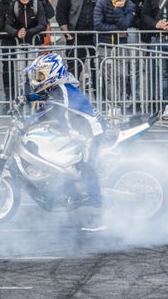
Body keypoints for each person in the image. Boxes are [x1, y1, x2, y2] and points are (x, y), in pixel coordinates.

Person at [19, 53, 109, 230]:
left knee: (86, 167)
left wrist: (27, 121)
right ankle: (70, 195)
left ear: (53, 73)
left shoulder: (63, 91)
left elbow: (48, 108)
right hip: (75, 131)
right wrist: (27, 98)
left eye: (41, 75)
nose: (38, 79)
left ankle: (98, 213)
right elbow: (45, 98)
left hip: (89, 133)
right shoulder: (57, 88)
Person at [57, 0, 109, 72]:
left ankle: (96, 90)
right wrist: (68, 36)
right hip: (75, 37)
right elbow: (61, 14)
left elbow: (110, 11)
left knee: (98, 71)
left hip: (97, 37)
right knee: (73, 71)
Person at [94, 0, 135, 105]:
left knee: (123, 75)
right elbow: (97, 25)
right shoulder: (102, 3)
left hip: (121, 45)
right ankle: (113, 104)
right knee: (109, 77)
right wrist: (117, 31)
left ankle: (121, 102)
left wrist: (117, 9)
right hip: (104, 45)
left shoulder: (129, 5)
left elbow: (125, 25)